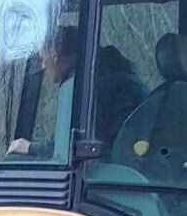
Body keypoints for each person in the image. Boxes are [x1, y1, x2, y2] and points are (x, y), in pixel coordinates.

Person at [8, 25, 147, 158]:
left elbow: (69, 147)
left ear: (54, 55)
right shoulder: (113, 76)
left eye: (43, 58)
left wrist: (30, 148)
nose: (43, 65)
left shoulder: (95, 87)